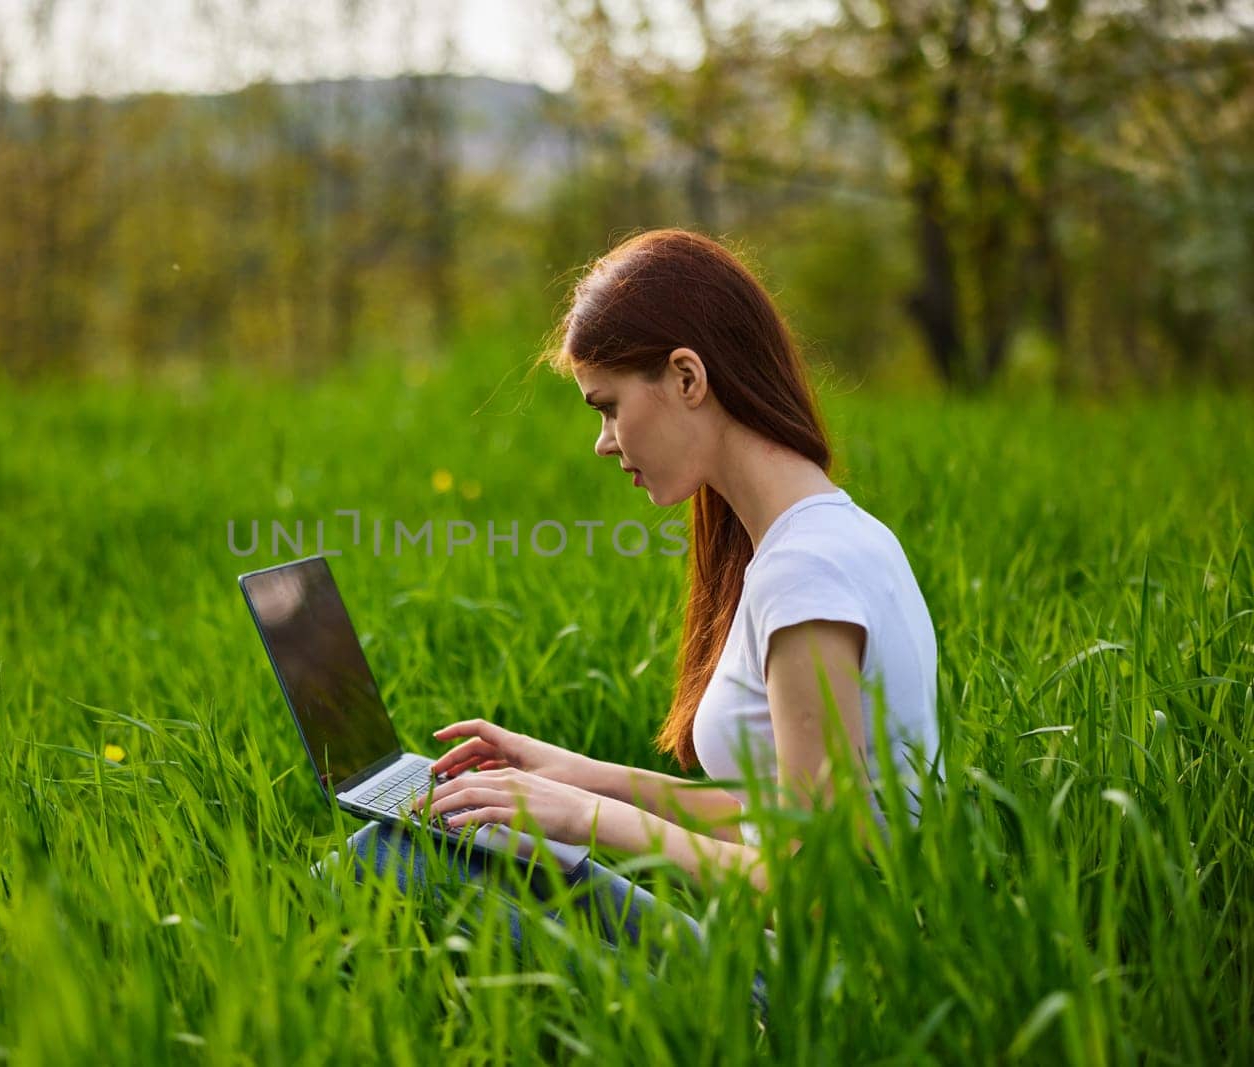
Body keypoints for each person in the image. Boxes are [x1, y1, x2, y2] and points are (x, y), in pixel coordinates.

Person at [321, 228, 942, 1005]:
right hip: (799, 967)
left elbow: (820, 886)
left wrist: (586, 816)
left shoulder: (805, 573)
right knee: (445, 841)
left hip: (815, 1001)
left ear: (687, 376)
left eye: (609, 407)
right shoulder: (825, 537)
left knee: (391, 859)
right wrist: (574, 776)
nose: (602, 442)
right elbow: (779, 814)